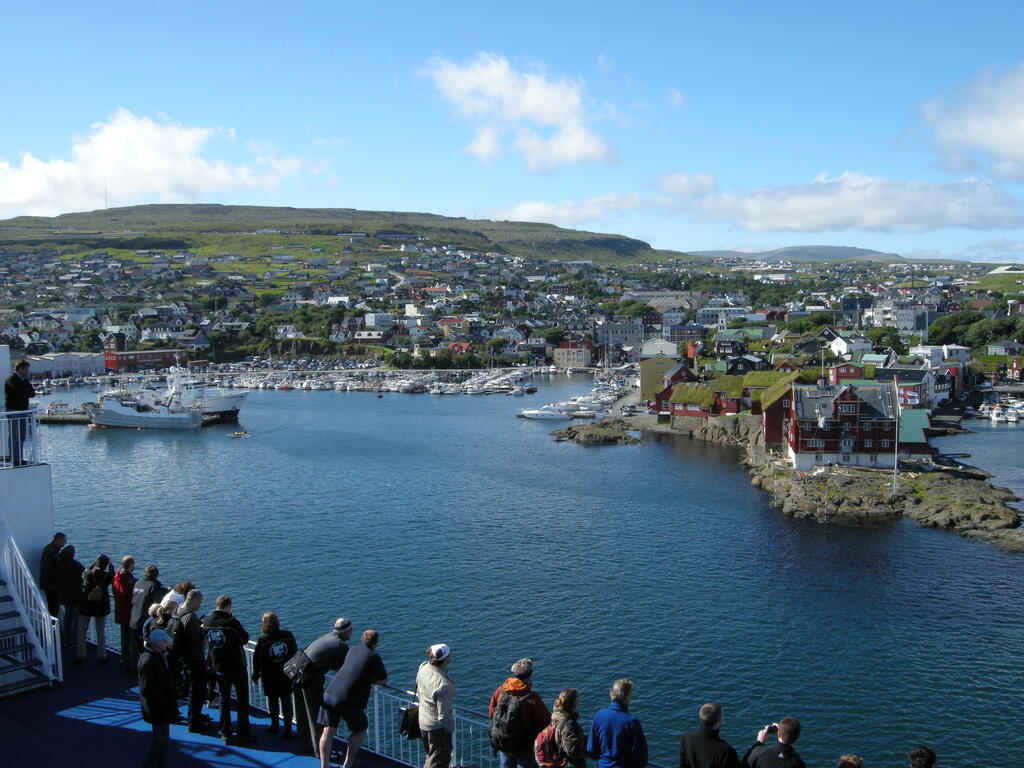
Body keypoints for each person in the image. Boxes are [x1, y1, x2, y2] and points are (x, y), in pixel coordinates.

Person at [317, 629, 388, 768]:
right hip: (347, 699)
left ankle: (324, 765)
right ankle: (348, 764)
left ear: (362, 638)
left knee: (328, 729)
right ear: (376, 642)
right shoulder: (373, 656)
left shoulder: (353, 649)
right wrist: (371, 680)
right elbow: (383, 679)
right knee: (360, 729)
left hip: (330, 692)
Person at [294, 617, 353, 757]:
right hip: (310, 678)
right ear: (345, 631)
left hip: (297, 672)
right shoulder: (341, 645)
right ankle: (319, 752)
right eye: (351, 631)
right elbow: (346, 668)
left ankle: (305, 744)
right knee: (315, 715)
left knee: (301, 712)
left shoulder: (325, 636)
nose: (351, 634)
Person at [202, 595, 256, 745]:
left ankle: (225, 733)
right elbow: (244, 639)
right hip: (236, 666)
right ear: (227, 607)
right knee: (242, 701)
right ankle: (244, 733)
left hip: (219, 666)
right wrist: (234, 621)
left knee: (224, 700)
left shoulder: (207, 622)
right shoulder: (231, 623)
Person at [489, 658, 551, 768]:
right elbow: (544, 722)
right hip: (524, 748)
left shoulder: (501, 690)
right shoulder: (531, 698)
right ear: (530, 674)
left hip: (504, 743)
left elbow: (491, 712)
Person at [168, 589, 209, 733]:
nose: (200, 605)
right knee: (197, 692)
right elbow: (195, 639)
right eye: (199, 602)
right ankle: (194, 722)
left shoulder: (178, 610)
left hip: (183, 657)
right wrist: (203, 630)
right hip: (194, 659)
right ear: (194, 601)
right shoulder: (190, 618)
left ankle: (195, 715)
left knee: (192, 689)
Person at [252, 611, 297, 738]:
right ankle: (288, 730)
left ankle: (274, 726)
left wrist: (256, 675)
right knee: (286, 701)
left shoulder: (263, 639)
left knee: (272, 701)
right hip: (286, 674)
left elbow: (257, 659)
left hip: (269, 676)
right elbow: (293, 650)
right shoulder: (288, 635)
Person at [138, 628, 178, 768]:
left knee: (161, 740)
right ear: (158, 642)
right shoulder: (149, 660)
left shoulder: (153, 656)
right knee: (160, 740)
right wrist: (164, 700)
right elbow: (146, 688)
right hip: (158, 708)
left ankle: (160, 765)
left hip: (159, 707)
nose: (167, 643)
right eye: (165, 641)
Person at [587, 679, 648, 768]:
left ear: (611, 693)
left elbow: (591, 749)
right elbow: (641, 758)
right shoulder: (632, 722)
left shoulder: (599, 715)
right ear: (627, 697)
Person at [416, 643, 455, 768]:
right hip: (436, 728)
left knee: (431, 756)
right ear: (446, 658)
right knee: (439, 761)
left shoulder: (423, 667)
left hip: (423, 721)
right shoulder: (441, 684)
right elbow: (443, 714)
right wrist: (449, 730)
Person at [76, 553, 115, 664]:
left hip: (86, 604)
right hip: (101, 606)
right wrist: (110, 565)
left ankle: (80, 655)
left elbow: (88, 569)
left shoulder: (87, 573)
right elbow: (112, 574)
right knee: (101, 631)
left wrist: (95, 563)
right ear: (105, 564)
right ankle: (102, 656)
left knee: (82, 631)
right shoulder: (107, 576)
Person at [679, 702, 740, 768]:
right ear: (717, 724)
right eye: (721, 719)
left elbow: (682, 765)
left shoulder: (687, 737)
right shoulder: (726, 752)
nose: (723, 722)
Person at [131, 565, 166, 660]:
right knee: (147, 650)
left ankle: (133, 667)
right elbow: (158, 605)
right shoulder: (154, 585)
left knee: (135, 648)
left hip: (133, 619)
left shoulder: (138, 583)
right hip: (144, 622)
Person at [4, 359, 35, 466]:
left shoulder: (25, 381)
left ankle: (20, 458)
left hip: (23, 411)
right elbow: (16, 392)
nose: (28, 371)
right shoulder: (11, 379)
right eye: (26, 368)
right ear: (20, 369)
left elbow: (32, 393)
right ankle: (15, 460)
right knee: (14, 436)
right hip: (13, 411)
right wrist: (25, 392)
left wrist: (24, 392)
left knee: (22, 436)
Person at [546, 687, 587, 768]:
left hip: (557, 760)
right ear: (573, 704)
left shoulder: (555, 717)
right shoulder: (568, 725)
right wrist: (585, 751)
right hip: (569, 764)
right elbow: (573, 751)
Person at [740, 718, 805, 768]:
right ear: (797, 738)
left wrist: (759, 742)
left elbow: (745, 764)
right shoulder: (799, 763)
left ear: (779, 734)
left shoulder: (761, 754)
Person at [112, 555, 137, 672]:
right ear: (130, 565)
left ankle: (124, 660)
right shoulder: (130, 581)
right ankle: (132, 663)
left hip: (120, 611)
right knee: (133, 640)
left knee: (124, 638)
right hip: (130, 613)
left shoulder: (116, 578)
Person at [56, 546, 84, 648]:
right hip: (76, 595)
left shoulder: (60, 565)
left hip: (64, 595)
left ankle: (65, 640)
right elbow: (85, 573)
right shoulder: (76, 565)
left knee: (67, 619)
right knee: (75, 619)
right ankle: (73, 640)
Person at [39, 532, 66, 616]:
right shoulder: (50, 552)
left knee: (54, 606)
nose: (65, 543)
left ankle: (55, 626)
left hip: (50, 584)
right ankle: (54, 627)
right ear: (57, 540)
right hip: (50, 585)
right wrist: (52, 585)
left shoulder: (52, 550)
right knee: (53, 606)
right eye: (63, 541)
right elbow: (46, 569)